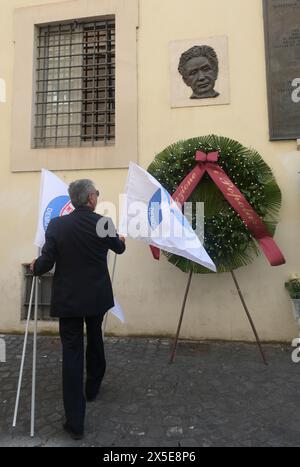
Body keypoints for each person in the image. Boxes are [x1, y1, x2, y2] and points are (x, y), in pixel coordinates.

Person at [30, 179, 126, 440]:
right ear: (91, 199)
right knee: (95, 339)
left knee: (71, 356)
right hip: (96, 297)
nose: (97, 196)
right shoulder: (103, 223)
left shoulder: (58, 225)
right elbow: (119, 248)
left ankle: (75, 422)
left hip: (69, 300)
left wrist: (34, 267)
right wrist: (119, 239)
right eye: (96, 192)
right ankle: (92, 387)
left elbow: (46, 262)